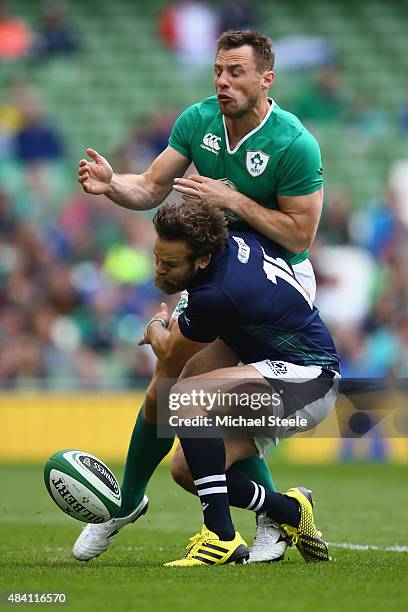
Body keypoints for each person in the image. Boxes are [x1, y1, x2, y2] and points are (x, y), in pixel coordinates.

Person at [74, 30, 324, 563]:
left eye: (236, 72)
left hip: (272, 282)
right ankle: (135, 502)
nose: (223, 81)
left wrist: (233, 199)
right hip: (216, 275)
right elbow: (149, 188)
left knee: (188, 391)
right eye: (218, 70)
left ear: (266, 79)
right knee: (175, 388)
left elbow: (301, 236)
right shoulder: (198, 120)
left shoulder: (294, 143)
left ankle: (223, 520)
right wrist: (111, 182)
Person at [141, 200, 339, 566]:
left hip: (309, 378)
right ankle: (291, 510)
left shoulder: (216, 294)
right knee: (189, 470)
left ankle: (221, 537)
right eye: (157, 256)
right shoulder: (230, 243)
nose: (159, 269)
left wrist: (154, 327)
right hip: (284, 374)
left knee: (184, 396)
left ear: (201, 260)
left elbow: (169, 353)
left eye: (170, 264)